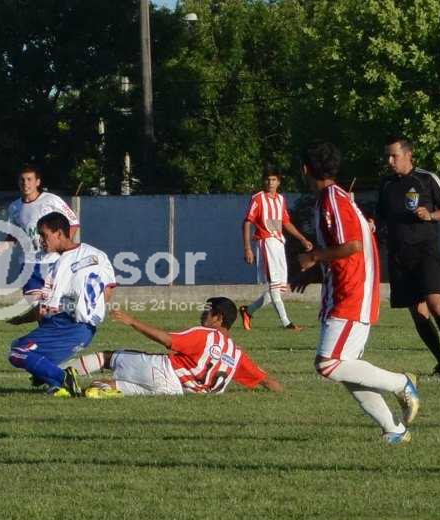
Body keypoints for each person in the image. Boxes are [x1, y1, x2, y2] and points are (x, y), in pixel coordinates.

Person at [297, 140, 419, 445]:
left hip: (352, 291)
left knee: (328, 363)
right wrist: (315, 268)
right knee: (347, 368)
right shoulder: (329, 199)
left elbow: (352, 245)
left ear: (305, 169)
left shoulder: (333, 199)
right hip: (343, 289)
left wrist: (314, 256)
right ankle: (394, 430)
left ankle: (401, 382)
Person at [377, 135, 440, 377]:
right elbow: (380, 217)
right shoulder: (386, 184)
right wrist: (371, 224)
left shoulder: (426, 178)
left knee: (434, 302)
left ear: (408, 154)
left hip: (425, 251)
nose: (390, 161)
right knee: (418, 313)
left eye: (394, 156)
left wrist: (431, 215)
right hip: (399, 255)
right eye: (388, 156)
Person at [62, 297, 283, 398]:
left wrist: (132, 321)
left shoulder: (206, 334)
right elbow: (267, 381)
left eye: (207, 311)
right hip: (174, 392)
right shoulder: (236, 354)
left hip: (166, 372)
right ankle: (98, 391)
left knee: (108, 358)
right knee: (111, 386)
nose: (203, 315)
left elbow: (167, 340)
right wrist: (284, 395)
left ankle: (54, 376)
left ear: (218, 318)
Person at [7, 212, 116, 397]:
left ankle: (62, 378)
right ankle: (51, 380)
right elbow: (108, 291)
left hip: (69, 326)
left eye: (44, 235)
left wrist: (21, 319)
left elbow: (43, 309)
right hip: (88, 329)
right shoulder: (98, 255)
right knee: (26, 348)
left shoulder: (60, 266)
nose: (41, 241)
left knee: (17, 352)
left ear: (59, 233)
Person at [239, 164, 314, 331]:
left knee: (279, 289)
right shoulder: (258, 198)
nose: (270, 182)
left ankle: (248, 311)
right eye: (267, 179)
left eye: (273, 179)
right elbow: (247, 222)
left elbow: (285, 222)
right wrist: (247, 248)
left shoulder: (280, 199)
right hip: (266, 243)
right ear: (263, 181)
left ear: (279, 182)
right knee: (274, 285)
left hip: (279, 243)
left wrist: (302, 239)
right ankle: (287, 323)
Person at [0, 165, 80, 303]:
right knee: (35, 304)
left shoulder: (51, 200)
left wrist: (62, 246)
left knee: (56, 303)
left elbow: (74, 223)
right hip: (28, 263)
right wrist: (5, 245)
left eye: (29, 179)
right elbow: (14, 234)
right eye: (22, 180)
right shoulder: (14, 207)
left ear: (38, 182)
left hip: (53, 261)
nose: (25, 183)